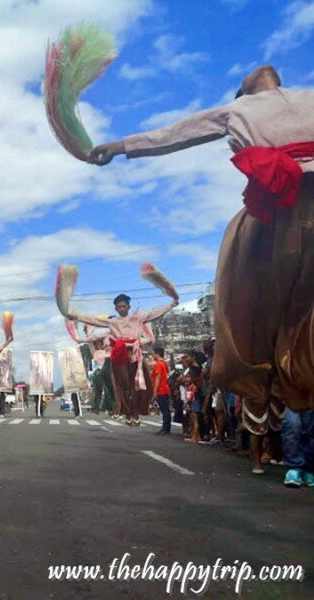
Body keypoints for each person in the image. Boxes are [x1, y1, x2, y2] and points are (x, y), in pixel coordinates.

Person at [87, 65, 314, 472]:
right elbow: (176, 134)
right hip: (279, 210)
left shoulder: (303, 97)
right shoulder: (238, 109)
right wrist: (120, 146)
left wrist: (171, 301)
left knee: (272, 305)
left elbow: (175, 133)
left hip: (290, 207)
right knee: (260, 306)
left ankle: (280, 393)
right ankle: (269, 399)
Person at [69, 294, 177, 426]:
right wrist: (77, 318)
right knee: (122, 384)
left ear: (128, 307)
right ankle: (126, 411)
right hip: (120, 354)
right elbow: (94, 321)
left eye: (124, 306)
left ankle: (135, 412)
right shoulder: (113, 322)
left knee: (140, 384)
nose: (121, 309)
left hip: (135, 354)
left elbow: (154, 314)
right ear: (116, 309)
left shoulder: (137, 318)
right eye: (119, 307)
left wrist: (171, 305)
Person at [151, 346, 172, 435]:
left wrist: (155, 391)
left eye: (153, 353)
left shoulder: (159, 364)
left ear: (157, 354)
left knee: (165, 410)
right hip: (165, 389)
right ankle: (166, 428)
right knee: (165, 409)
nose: (152, 355)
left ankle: (165, 429)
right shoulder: (164, 363)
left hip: (161, 390)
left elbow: (158, 378)